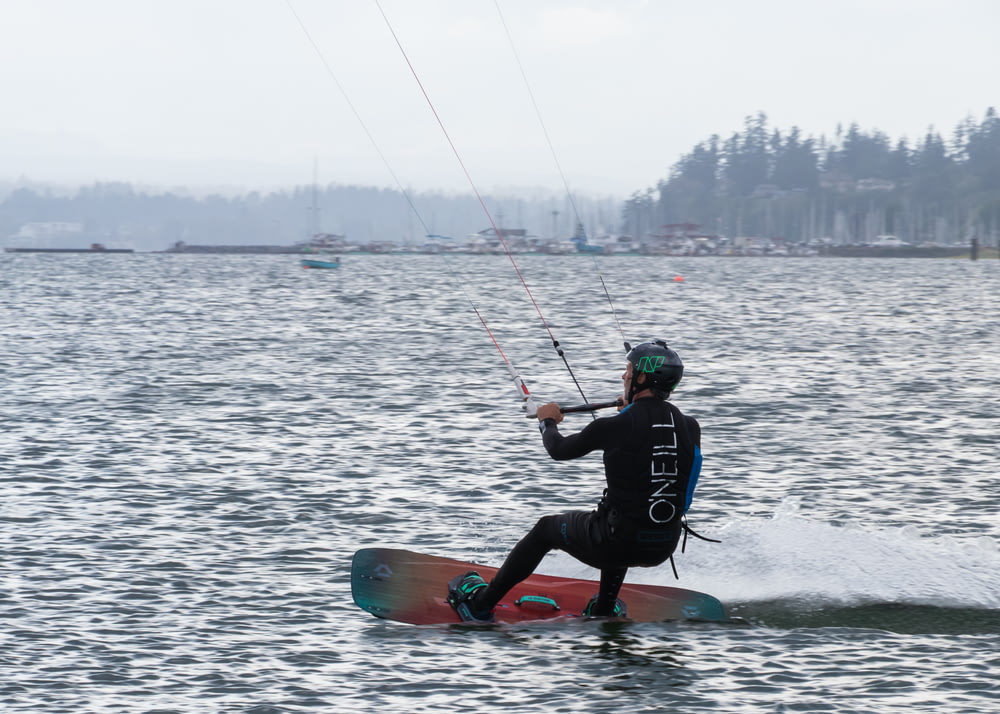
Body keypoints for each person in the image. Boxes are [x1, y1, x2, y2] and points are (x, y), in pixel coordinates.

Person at [447, 340, 703, 622]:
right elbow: (678, 480)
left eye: (628, 370)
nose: (623, 376)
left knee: (547, 529)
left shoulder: (613, 426)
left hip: (618, 542)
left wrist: (547, 422)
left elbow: (559, 450)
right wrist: (630, 410)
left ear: (642, 377)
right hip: (663, 544)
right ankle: (604, 609)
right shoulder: (689, 425)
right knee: (622, 518)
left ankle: (480, 605)